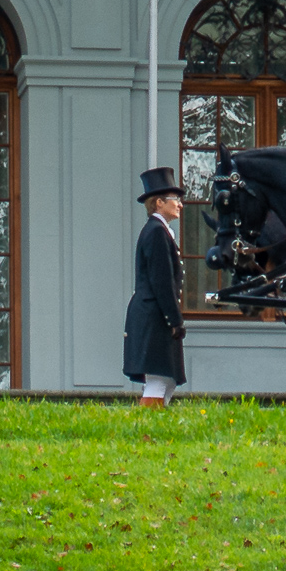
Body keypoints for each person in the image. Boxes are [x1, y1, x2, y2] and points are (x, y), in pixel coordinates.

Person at [124, 167, 188, 408]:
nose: (180, 205)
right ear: (159, 203)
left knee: (167, 379)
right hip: (155, 315)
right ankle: (146, 428)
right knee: (159, 377)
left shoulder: (159, 231)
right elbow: (162, 282)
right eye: (176, 200)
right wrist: (174, 319)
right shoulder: (156, 233)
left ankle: (158, 423)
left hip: (155, 313)